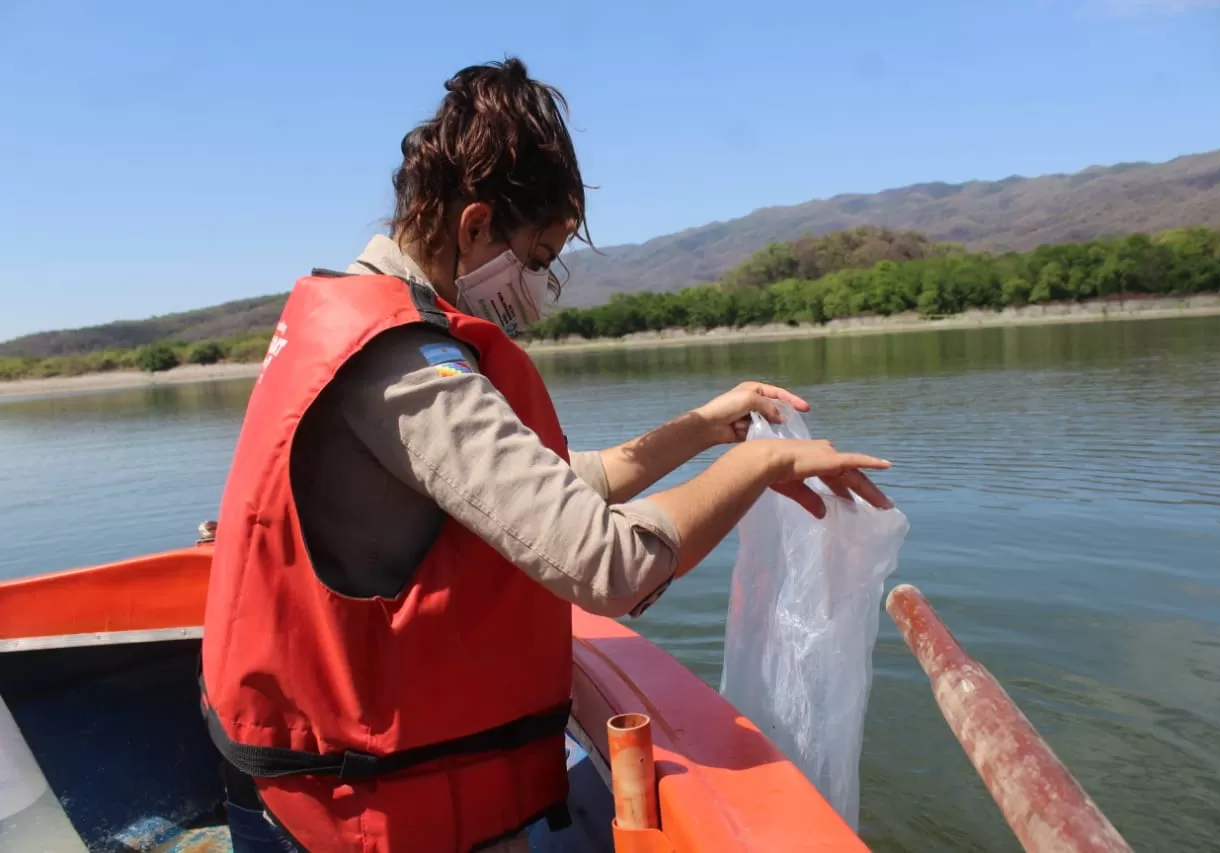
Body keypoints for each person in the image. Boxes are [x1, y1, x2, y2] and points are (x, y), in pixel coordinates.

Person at [199, 57, 893, 853]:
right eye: (536, 256)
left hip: (328, 784)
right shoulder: (401, 368)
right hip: (353, 809)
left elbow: (549, 491)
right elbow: (609, 564)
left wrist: (706, 426)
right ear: (473, 226)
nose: (537, 285)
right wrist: (761, 468)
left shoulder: (368, 323)